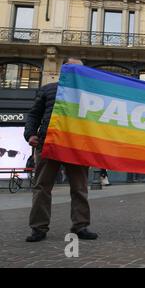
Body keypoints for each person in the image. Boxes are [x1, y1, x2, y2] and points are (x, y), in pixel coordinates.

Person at [24, 57, 98, 242]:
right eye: (73, 69)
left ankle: (80, 226)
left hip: (77, 146)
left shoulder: (88, 93)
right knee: (42, 187)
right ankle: (38, 228)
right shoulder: (47, 90)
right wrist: (30, 134)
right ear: (64, 70)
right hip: (48, 144)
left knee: (79, 187)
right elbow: (34, 114)